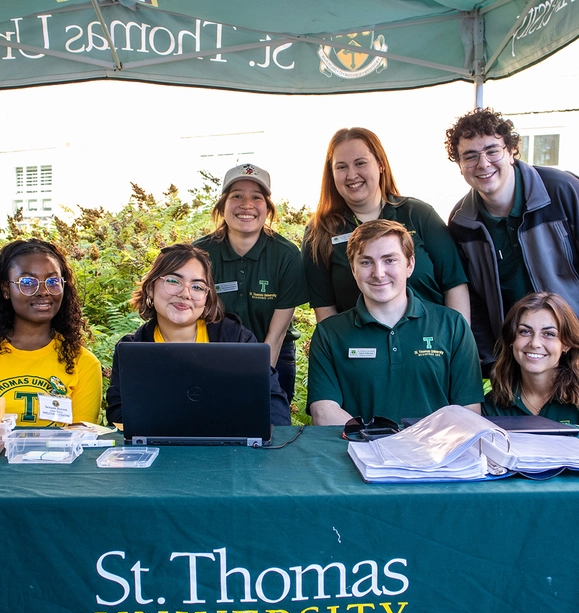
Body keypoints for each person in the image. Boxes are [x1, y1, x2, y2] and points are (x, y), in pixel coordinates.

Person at [307, 220, 483, 426]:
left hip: (436, 454)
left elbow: (469, 411)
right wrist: (380, 444)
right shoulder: (329, 333)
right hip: (359, 452)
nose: (378, 273)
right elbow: (324, 412)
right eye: (366, 262)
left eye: (389, 260)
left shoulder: (452, 326)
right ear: (353, 270)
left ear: (410, 265)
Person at [445, 107, 579, 375]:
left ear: (511, 151)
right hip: (518, 361)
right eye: (470, 156)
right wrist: (491, 362)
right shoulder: (462, 223)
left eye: (492, 150)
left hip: (573, 351)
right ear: (459, 166)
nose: (483, 164)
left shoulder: (563, 190)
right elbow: (474, 303)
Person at [106, 243, 290, 426]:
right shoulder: (132, 350)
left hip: (229, 450)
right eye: (173, 281)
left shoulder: (236, 338)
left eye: (197, 287)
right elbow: (119, 411)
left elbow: (273, 403)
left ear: (207, 298)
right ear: (150, 289)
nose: (185, 293)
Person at [302, 127, 470, 324]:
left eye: (360, 163)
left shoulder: (419, 214)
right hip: (361, 350)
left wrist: (458, 345)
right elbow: (324, 309)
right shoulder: (319, 231)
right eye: (341, 167)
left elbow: (455, 285)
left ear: (380, 165)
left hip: (430, 346)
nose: (351, 174)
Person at [195, 164, 309, 403]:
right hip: (212, 355)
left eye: (256, 197)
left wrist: (257, 381)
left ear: (267, 208)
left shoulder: (286, 255)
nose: (246, 205)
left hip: (272, 352)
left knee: (270, 430)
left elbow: (276, 335)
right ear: (222, 206)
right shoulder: (199, 253)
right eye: (236, 196)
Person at [0, 238, 102, 426]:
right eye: (28, 281)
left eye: (53, 281)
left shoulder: (83, 363)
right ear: (6, 289)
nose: (43, 291)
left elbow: (82, 442)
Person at [483, 293, 579, 423]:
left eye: (549, 334)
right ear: (511, 339)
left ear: (566, 344)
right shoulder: (492, 406)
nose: (534, 343)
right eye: (525, 331)